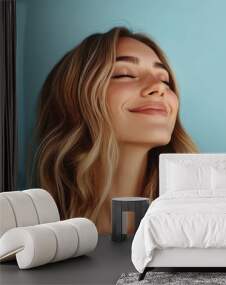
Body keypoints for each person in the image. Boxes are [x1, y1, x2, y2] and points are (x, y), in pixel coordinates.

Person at [33, 26, 198, 234]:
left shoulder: (193, 222)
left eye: (164, 79)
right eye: (124, 74)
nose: (160, 87)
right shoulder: (34, 230)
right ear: (74, 100)